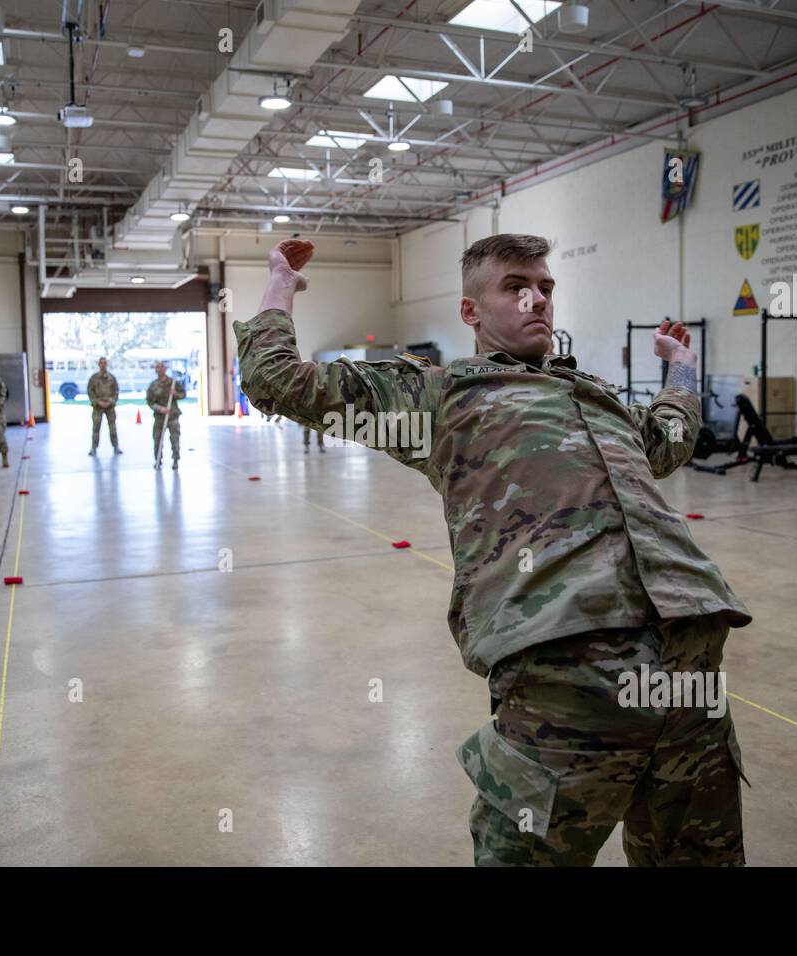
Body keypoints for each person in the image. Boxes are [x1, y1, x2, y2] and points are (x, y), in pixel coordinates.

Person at [235, 235, 752, 867]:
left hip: (691, 675)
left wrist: (680, 370)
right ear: (470, 312)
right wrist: (280, 285)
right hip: (565, 679)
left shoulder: (598, 394)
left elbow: (667, 442)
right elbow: (276, 381)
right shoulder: (438, 397)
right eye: (514, 285)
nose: (537, 298)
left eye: (545, 286)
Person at [145, 361, 185, 469]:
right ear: (155, 370)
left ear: (165, 369)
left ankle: (175, 460)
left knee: (175, 439)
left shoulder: (173, 382)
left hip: (172, 416)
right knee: (157, 439)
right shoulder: (153, 386)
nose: (160, 369)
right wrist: (160, 408)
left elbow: (183, 394)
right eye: (158, 367)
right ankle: (158, 460)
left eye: (162, 367)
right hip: (159, 417)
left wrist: (175, 394)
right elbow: (149, 401)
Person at [87, 357, 121, 455]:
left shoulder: (111, 378)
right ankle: (93, 448)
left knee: (113, 427)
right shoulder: (94, 378)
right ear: (98, 364)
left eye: (104, 363)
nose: (103, 365)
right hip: (98, 406)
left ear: (107, 364)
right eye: (101, 363)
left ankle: (116, 446)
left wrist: (111, 401)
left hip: (109, 406)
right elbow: (90, 391)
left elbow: (116, 391)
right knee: (96, 428)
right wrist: (97, 402)